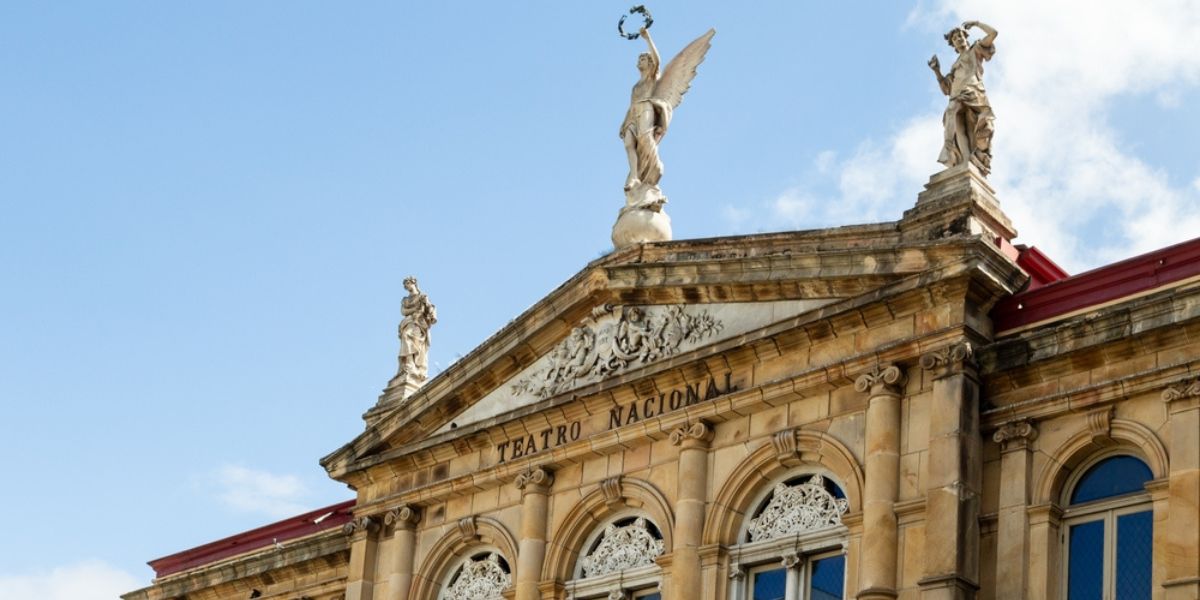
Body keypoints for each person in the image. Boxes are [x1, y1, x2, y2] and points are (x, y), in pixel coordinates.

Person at [928, 20, 998, 175]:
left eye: (960, 35)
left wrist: (976, 23)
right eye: (955, 38)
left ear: (966, 37)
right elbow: (947, 88)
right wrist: (937, 71)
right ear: (953, 44)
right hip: (956, 96)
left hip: (973, 93)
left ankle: (960, 151)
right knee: (957, 126)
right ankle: (966, 162)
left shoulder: (975, 50)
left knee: (980, 132)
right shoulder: (954, 66)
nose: (958, 38)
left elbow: (993, 34)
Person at [620, 27, 671, 192]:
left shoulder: (651, 78)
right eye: (639, 58)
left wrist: (647, 38)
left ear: (649, 63)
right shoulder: (635, 87)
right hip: (634, 114)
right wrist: (624, 123)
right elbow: (631, 106)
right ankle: (634, 175)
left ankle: (651, 170)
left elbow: (657, 60)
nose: (640, 60)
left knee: (645, 141)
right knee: (629, 144)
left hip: (647, 110)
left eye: (643, 58)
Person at [395, 276, 437, 382]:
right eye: (405, 285)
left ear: (413, 283)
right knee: (406, 336)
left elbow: (430, 308)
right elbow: (403, 312)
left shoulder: (422, 296)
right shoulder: (405, 299)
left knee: (415, 343)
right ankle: (408, 364)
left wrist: (429, 309)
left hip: (419, 323)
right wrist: (416, 309)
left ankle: (414, 366)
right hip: (409, 322)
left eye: (407, 284)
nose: (406, 286)